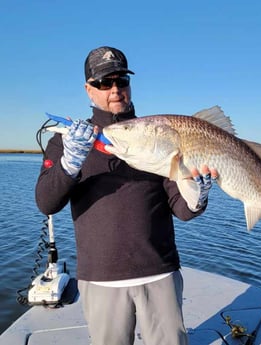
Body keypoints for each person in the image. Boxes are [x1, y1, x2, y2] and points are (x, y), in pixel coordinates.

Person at [35, 46, 217, 345]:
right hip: (101, 277)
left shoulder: (158, 134)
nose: (115, 89)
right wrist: (70, 164)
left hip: (159, 273)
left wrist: (197, 194)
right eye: (104, 83)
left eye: (121, 80)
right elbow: (46, 202)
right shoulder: (65, 141)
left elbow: (182, 210)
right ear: (88, 89)